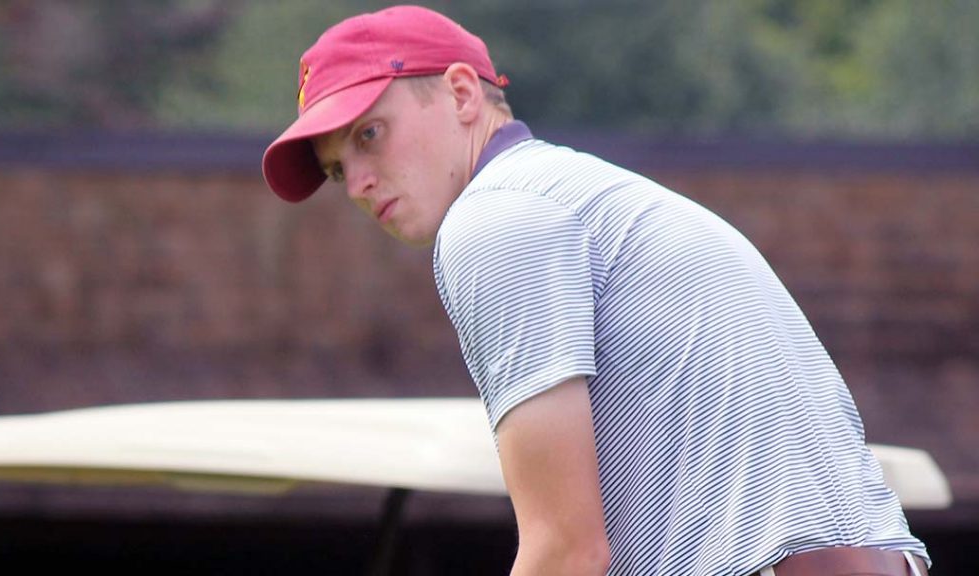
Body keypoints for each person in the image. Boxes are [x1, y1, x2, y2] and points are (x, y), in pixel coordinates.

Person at [261, 5, 930, 576]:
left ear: (463, 94)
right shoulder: (571, 194)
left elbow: (567, 552)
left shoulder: (496, 219)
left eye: (369, 136)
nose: (356, 183)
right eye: (337, 168)